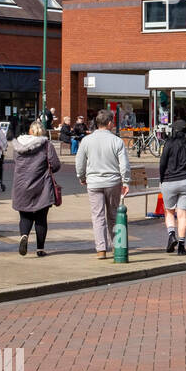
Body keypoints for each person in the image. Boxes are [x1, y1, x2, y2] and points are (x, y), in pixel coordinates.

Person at [76, 109, 131, 260]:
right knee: (113, 215)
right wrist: (125, 181)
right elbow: (124, 165)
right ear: (108, 123)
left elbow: (79, 162)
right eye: (112, 122)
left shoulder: (87, 140)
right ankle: (116, 246)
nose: (113, 124)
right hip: (113, 182)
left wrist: (81, 176)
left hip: (93, 182)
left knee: (97, 216)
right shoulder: (116, 141)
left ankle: (101, 249)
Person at [10, 120, 61, 257]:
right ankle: (40, 249)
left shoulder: (18, 145)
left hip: (21, 186)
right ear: (42, 132)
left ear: (29, 131)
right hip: (42, 186)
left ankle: (24, 235)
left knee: (25, 216)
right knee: (41, 218)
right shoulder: (46, 145)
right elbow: (55, 165)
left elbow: (16, 162)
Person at [158, 119, 186, 255]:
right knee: (182, 215)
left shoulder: (168, 143)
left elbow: (162, 164)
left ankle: (172, 235)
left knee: (169, 212)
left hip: (169, 181)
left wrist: (162, 180)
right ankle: (182, 247)